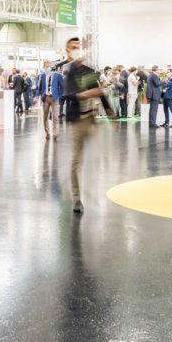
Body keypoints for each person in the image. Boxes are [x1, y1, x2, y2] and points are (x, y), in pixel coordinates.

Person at [62, 37, 106, 214]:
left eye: (79, 47)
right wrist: (85, 94)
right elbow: (69, 95)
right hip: (77, 121)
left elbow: (99, 90)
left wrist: (111, 113)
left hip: (91, 119)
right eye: (74, 48)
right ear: (68, 50)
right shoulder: (69, 70)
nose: (77, 50)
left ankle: (90, 190)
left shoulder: (88, 71)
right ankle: (76, 198)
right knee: (76, 160)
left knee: (95, 158)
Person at [37, 62, 64, 140]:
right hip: (45, 98)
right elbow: (39, 88)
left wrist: (59, 95)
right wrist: (37, 96)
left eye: (48, 66)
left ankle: (55, 133)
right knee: (45, 117)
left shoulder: (58, 76)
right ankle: (47, 133)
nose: (47, 68)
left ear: (51, 67)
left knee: (55, 117)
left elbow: (62, 87)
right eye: (46, 66)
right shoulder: (41, 76)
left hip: (54, 98)